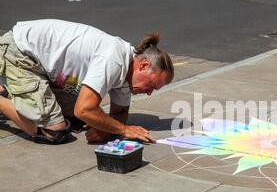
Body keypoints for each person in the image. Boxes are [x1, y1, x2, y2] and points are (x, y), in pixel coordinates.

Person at [0, 19, 174, 144]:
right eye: (151, 85)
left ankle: (7, 93)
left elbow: (119, 113)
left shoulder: (128, 72)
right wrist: (123, 129)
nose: (149, 92)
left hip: (43, 65)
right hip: (20, 52)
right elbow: (84, 109)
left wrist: (105, 129)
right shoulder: (113, 59)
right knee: (54, 131)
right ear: (143, 65)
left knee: (77, 121)